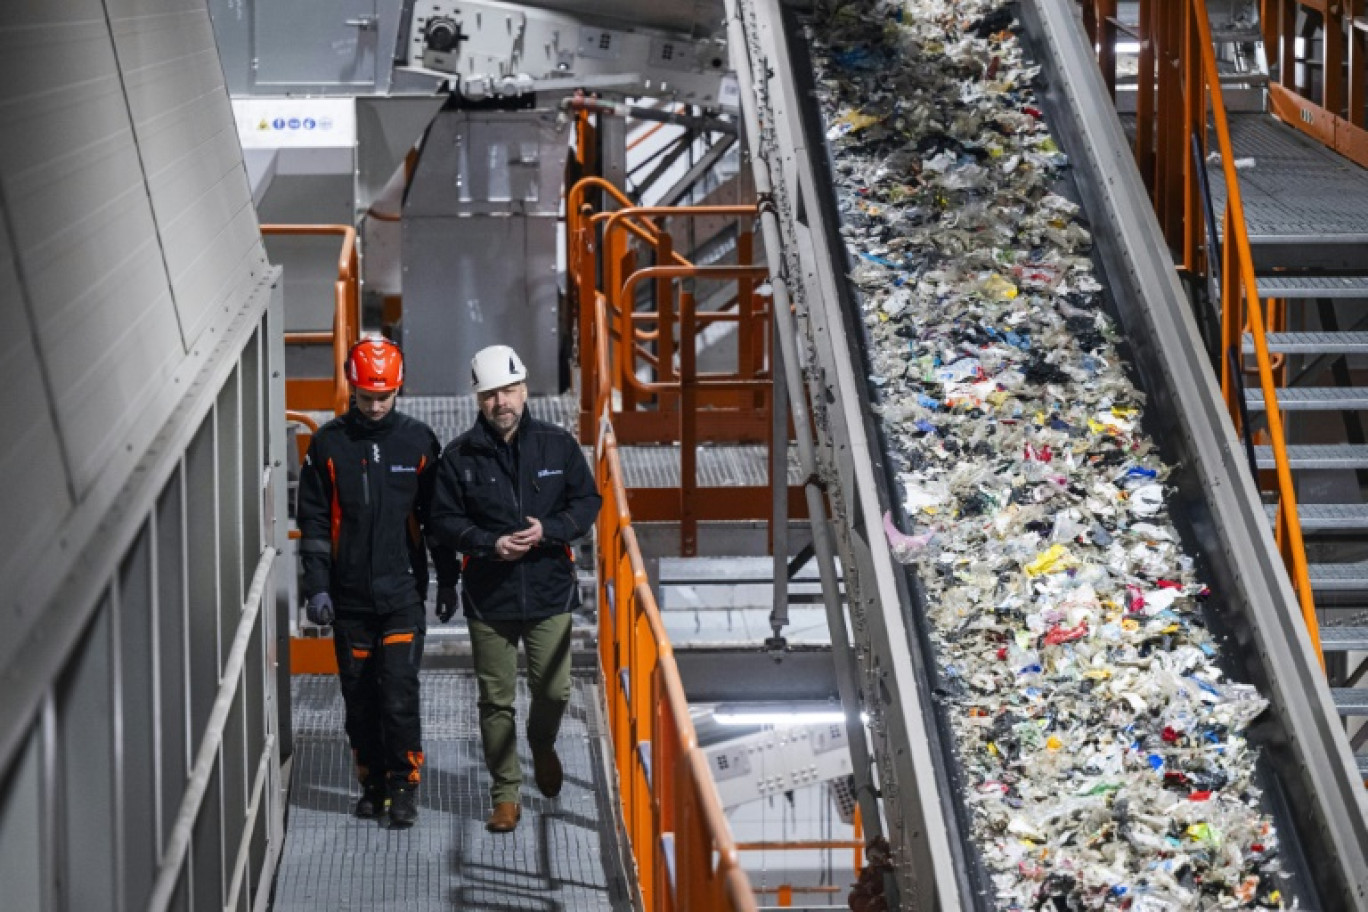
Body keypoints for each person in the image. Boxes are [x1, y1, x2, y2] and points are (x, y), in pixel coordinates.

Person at [430, 344, 602, 833]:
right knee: (495, 699)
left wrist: (550, 529)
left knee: (554, 688)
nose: (500, 401)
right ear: (477, 399)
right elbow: (443, 521)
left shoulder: (557, 445)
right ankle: (505, 794)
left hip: (549, 589)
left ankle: (542, 742)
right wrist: (489, 543)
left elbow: (588, 500)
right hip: (491, 594)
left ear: (524, 390)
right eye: (489, 394)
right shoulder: (459, 457)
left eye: (507, 390)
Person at [296, 335, 459, 828]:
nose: (373, 407)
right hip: (348, 600)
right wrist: (317, 587)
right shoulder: (328, 446)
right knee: (360, 699)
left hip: (402, 595)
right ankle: (370, 783)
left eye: (383, 398)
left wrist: (448, 580)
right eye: (366, 398)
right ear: (352, 386)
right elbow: (317, 524)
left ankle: (404, 785)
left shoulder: (418, 442)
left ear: (398, 390)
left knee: (398, 693)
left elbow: (436, 519)